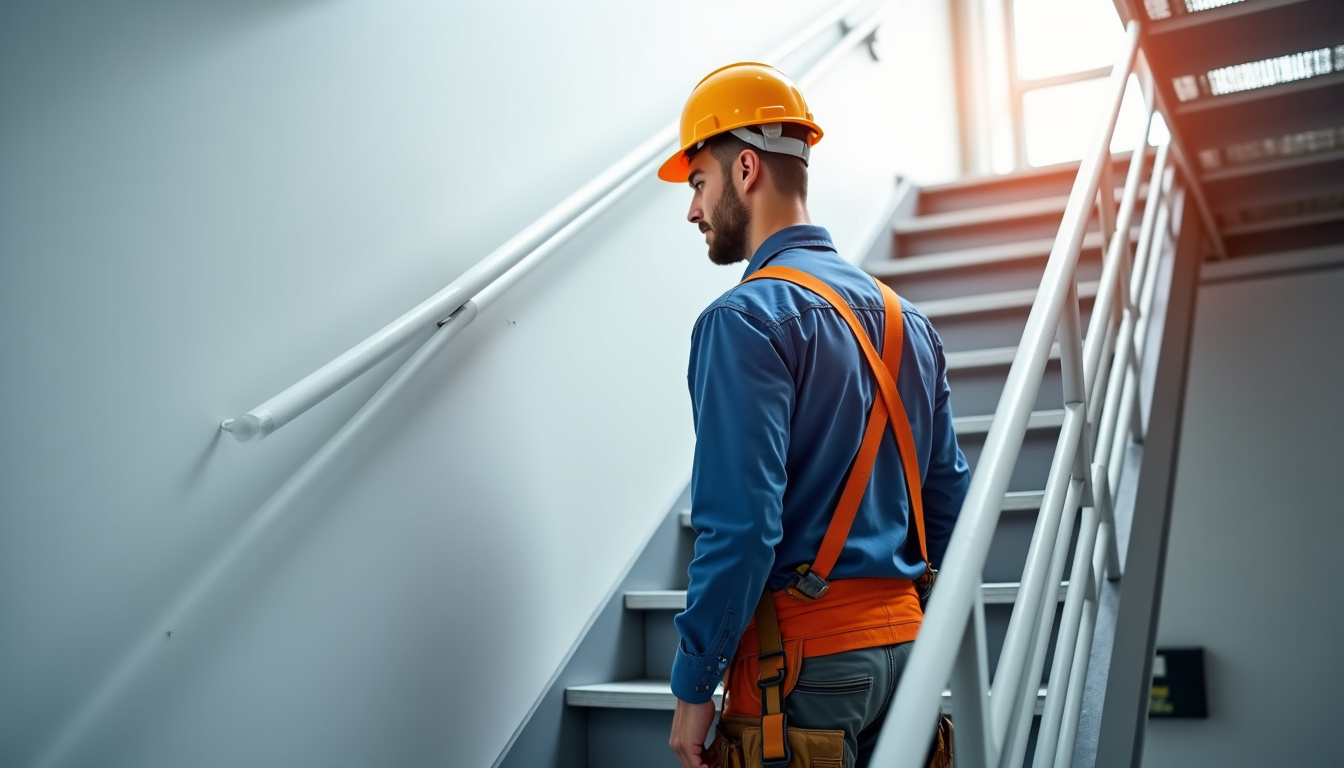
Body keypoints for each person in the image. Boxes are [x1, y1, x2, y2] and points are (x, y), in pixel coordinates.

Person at [658, 63, 970, 768]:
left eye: (697, 182)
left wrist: (693, 688)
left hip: (800, 667)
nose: (692, 209)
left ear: (744, 169)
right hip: (909, 655)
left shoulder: (742, 321)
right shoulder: (908, 321)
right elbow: (950, 500)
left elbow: (740, 528)